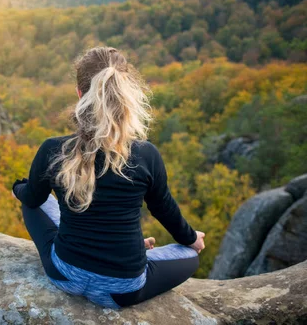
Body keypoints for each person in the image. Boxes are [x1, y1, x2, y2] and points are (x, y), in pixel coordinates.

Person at [12, 46, 205, 309]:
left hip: (65, 275)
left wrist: (18, 187)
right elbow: (164, 209)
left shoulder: (53, 150)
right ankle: (137, 249)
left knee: (32, 199)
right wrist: (192, 238)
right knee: (189, 255)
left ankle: (131, 248)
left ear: (80, 94)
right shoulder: (146, 155)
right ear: (127, 92)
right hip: (121, 291)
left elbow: (33, 197)